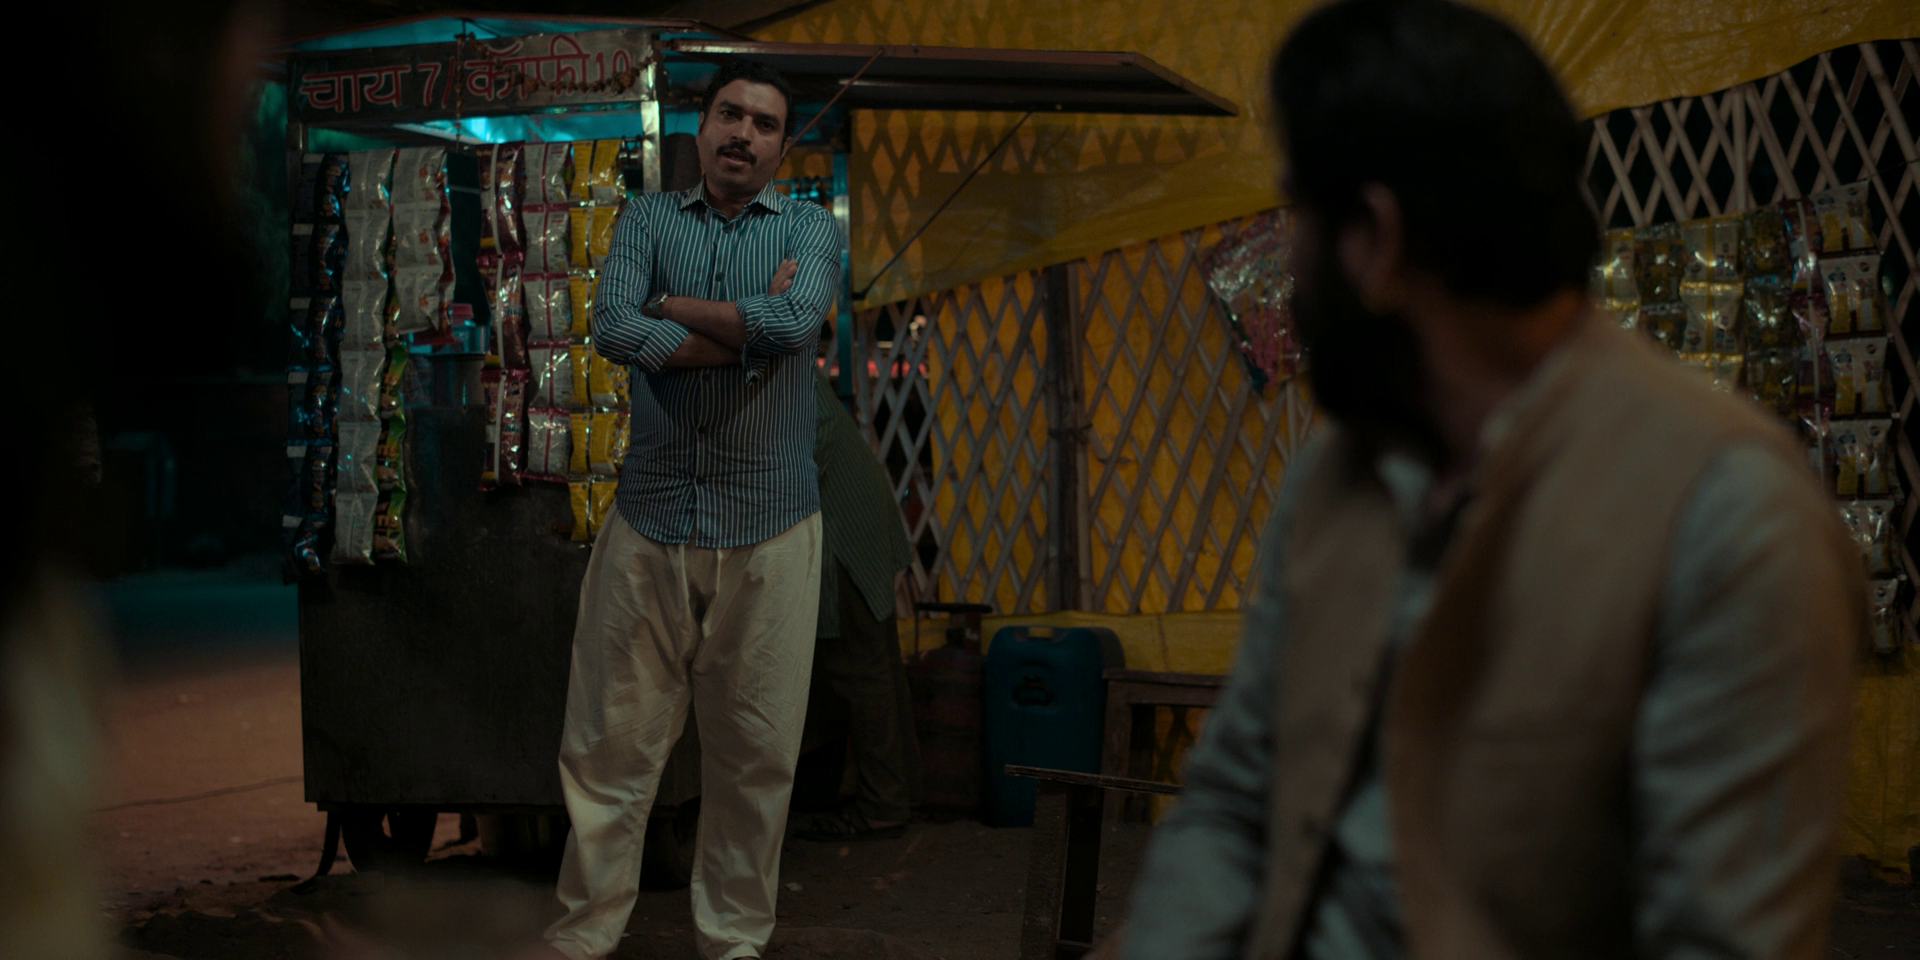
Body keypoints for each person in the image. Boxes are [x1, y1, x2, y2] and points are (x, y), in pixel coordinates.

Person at [1116, 1, 1862, 957]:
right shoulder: (1339, 477)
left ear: (1378, 239)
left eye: (1301, 215)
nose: (1285, 262)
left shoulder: (1728, 520)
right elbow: (1232, 803)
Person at [542, 59, 843, 960]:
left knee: (755, 755)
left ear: (783, 145)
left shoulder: (809, 227)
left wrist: (670, 309)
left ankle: (734, 942)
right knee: (607, 747)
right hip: (653, 516)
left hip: (770, 523)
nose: (742, 134)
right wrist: (742, 334)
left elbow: (795, 325)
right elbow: (611, 326)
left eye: (763, 123)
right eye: (728, 114)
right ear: (702, 126)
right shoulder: (646, 218)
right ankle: (584, 936)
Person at [793, 367, 922, 842]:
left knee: (859, 670)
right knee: (867, 667)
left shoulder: (774, 360)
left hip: (843, 531)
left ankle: (884, 802)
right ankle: (889, 791)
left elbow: (819, 434)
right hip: (855, 520)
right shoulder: (781, 359)